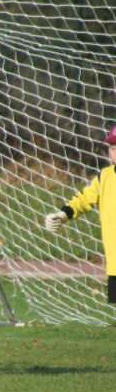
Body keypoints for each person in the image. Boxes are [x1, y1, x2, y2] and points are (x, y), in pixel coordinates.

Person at [45, 125, 116, 304]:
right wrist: (63, 215)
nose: (115, 152)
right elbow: (84, 200)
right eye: (113, 148)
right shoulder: (105, 177)